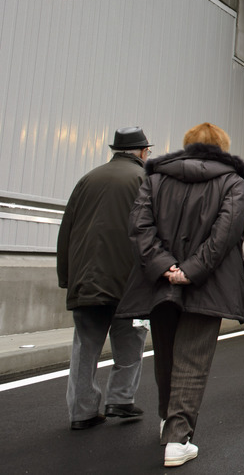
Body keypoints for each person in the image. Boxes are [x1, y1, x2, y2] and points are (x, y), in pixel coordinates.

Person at [116, 123, 244, 468]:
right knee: (192, 358)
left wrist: (164, 266)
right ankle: (177, 439)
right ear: (222, 148)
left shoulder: (155, 178)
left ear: (186, 146)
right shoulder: (233, 182)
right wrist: (191, 270)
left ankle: (167, 420)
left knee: (165, 355)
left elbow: (139, 226)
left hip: (159, 282)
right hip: (208, 282)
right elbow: (225, 233)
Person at [56, 126, 153, 430]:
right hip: (130, 282)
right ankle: (121, 400)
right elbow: (152, 232)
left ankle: (81, 412)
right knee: (132, 340)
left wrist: (66, 277)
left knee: (85, 347)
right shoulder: (145, 181)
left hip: (87, 279)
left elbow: (67, 229)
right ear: (142, 152)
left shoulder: (88, 179)